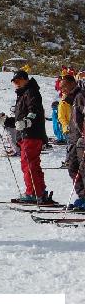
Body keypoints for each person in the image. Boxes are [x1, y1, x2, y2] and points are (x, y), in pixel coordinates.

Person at [8, 70, 51, 203]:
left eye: (18, 80)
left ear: (25, 79)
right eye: (14, 82)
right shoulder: (24, 94)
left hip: (31, 134)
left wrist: (27, 121)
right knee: (32, 164)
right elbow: (19, 120)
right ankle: (40, 192)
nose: (16, 83)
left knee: (28, 164)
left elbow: (34, 111)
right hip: (28, 134)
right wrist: (5, 121)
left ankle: (33, 193)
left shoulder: (31, 92)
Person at [59, 75, 85, 209]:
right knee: (73, 167)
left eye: (63, 86)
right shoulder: (73, 98)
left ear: (71, 84)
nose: (62, 89)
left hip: (81, 139)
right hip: (74, 139)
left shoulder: (80, 96)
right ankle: (82, 196)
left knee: (82, 169)